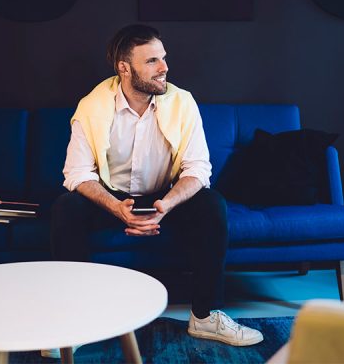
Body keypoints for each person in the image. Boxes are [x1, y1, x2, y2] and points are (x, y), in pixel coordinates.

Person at [45, 24, 263, 358]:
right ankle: (73, 322)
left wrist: (167, 204)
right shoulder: (92, 106)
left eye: (163, 58)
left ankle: (206, 316)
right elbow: (77, 173)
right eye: (152, 61)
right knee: (66, 207)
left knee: (211, 204)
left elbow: (198, 169)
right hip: (112, 197)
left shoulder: (182, 102)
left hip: (165, 196)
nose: (164, 67)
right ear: (124, 68)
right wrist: (117, 208)